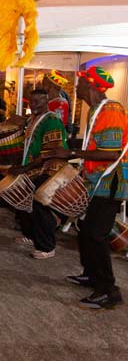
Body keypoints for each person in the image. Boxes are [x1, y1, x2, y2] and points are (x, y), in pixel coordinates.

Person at [46, 66, 127, 309]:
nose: (76, 86)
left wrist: (72, 153)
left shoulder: (111, 111)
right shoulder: (96, 110)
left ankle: (108, 290)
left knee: (96, 235)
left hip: (110, 183)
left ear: (91, 85)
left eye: (80, 82)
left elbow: (111, 153)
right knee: (85, 231)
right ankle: (91, 275)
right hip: (97, 181)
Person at [5, 89, 68, 259]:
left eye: (37, 101)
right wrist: (18, 164)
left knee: (40, 206)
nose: (32, 105)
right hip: (33, 168)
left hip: (48, 170)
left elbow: (50, 153)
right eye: (31, 102)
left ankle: (47, 247)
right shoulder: (34, 119)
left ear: (46, 101)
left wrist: (24, 168)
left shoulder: (52, 121)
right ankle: (32, 236)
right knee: (25, 203)